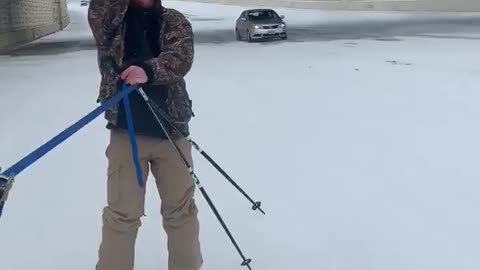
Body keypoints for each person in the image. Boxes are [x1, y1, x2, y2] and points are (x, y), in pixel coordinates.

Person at [88, 0, 203, 270]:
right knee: (121, 215)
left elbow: (181, 58)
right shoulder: (111, 22)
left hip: (171, 132)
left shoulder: (173, 20)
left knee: (181, 212)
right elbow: (99, 11)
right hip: (125, 133)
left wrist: (147, 71)